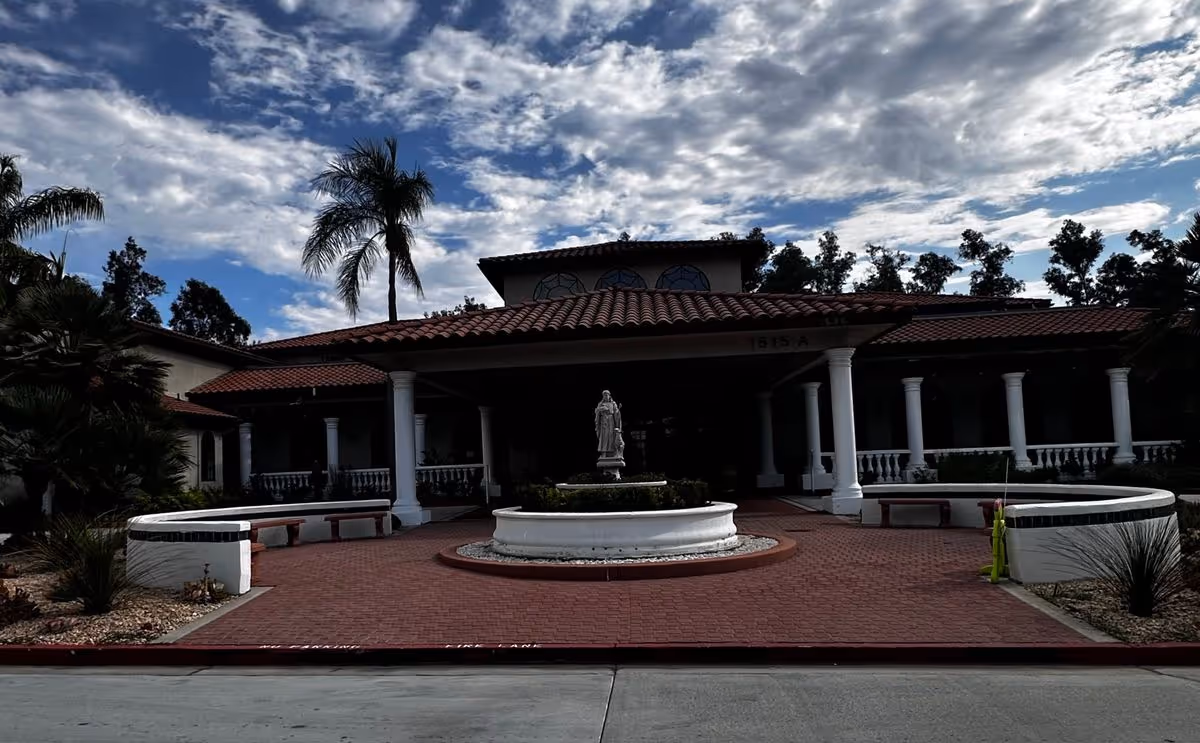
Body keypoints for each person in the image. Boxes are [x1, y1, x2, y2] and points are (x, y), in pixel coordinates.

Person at [594, 390, 623, 458]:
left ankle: (613, 452)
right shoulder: (600, 404)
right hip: (604, 422)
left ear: (609, 396)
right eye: (604, 395)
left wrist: (618, 411)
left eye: (607, 395)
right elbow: (597, 412)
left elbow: (616, 413)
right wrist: (600, 410)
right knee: (604, 437)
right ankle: (604, 452)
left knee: (611, 436)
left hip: (611, 421)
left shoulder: (613, 403)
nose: (606, 396)